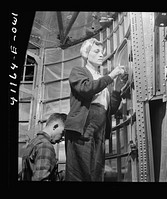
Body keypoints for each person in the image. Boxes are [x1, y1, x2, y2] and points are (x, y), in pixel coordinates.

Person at [64, 38, 128, 181]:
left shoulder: (101, 79)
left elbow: (108, 109)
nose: (101, 55)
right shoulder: (78, 71)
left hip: (99, 129)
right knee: (79, 173)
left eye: (102, 52)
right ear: (86, 54)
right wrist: (111, 76)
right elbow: (86, 89)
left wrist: (116, 91)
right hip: (82, 128)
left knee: (95, 172)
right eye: (96, 51)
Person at [20, 113, 67, 181]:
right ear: (55, 126)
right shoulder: (45, 145)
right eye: (62, 133)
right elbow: (41, 178)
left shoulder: (34, 142)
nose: (63, 137)